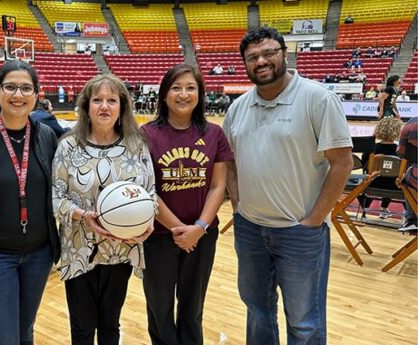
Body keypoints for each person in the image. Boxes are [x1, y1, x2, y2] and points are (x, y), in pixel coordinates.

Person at [223, 26, 353, 345]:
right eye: (252, 57)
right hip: (250, 229)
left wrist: (314, 220)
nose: (261, 61)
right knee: (258, 312)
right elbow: (229, 165)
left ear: (284, 53)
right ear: (245, 63)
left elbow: (342, 162)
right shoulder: (237, 108)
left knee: (304, 322)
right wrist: (238, 208)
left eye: (268, 53)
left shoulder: (318, 98)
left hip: (300, 232)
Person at [52, 74, 156, 345]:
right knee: (82, 327)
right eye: (97, 100)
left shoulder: (136, 145)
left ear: (122, 107)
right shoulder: (68, 145)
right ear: (87, 106)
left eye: (112, 100)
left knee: (110, 324)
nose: (104, 107)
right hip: (78, 248)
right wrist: (83, 216)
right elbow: (56, 198)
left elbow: (150, 195)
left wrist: (147, 224)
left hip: (121, 248)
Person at [0, 60, 60, 345]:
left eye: (25, 88)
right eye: (10, 87)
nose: (18, 95)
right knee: (2, 337)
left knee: (25, 332)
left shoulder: (45, 136)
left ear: (36, 94)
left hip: (39, 254)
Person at [141, 64, 232, 345]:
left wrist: (200, 227)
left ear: (200, 94)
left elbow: (219, 185)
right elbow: (146, 189)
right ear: (164, 95)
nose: (183, 94)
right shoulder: (145, 134)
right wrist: (180, 229)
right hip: (157, 236)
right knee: (160, 308)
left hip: (202, 235)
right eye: (176, 88)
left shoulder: (214, 133)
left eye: (190, 87)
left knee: (193, 308)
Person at [359, 118, 403, 219]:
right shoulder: (400, 151)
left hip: (372, 183)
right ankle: (383, 209)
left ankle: (364, 208)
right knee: (391, 176)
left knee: (367, 178)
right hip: (394, 186)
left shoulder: (371, 149)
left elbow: (364, 165)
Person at [397, 116, 417, 231]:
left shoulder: (411, 123)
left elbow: (401, 152)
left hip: (414, 177)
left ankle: (412, 219)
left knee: (408, 175)